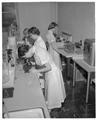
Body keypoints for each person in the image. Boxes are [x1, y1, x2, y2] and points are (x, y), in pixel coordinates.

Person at [24, 27, 66, 111]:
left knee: (53, 90)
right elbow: (38, 56)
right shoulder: (36, 43)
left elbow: (46, 63)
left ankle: (53, 106)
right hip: (49, 69)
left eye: (30, 35)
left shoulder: (40, 43)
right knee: (50, 90)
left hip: (52, 71)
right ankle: (51, 103)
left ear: (35, 34)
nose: (30, 37)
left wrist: (36, 70)